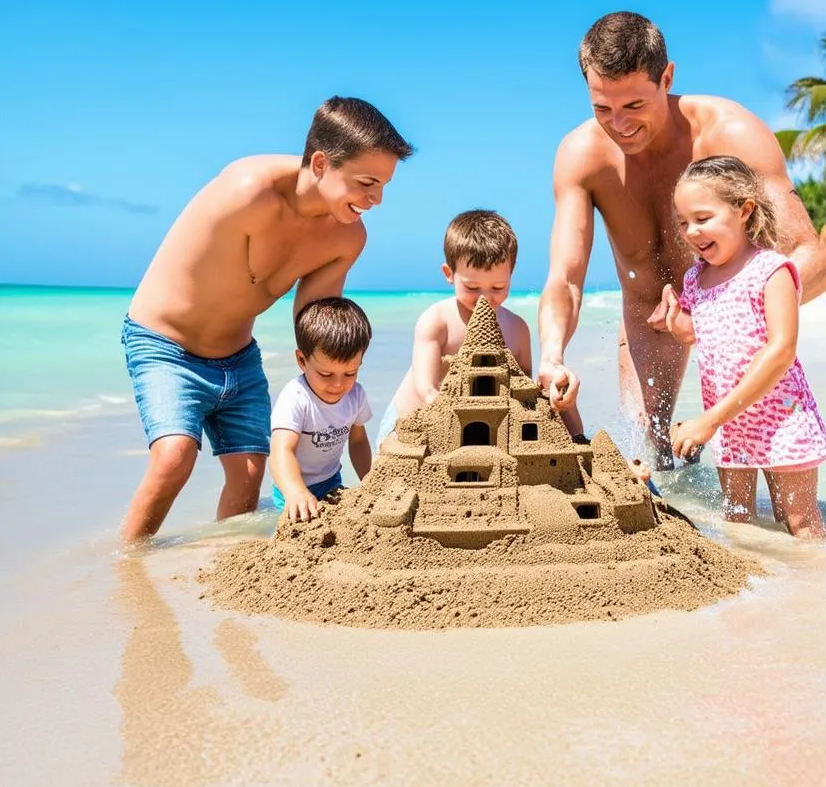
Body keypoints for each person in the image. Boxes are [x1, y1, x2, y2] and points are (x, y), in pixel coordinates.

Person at [537, 12, 826, 468]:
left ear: (667, 78)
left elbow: (811, 254)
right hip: (649, 314)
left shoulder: (731, 133)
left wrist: (715, 319)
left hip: (729, 308)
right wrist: (552, 354)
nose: (619, 125)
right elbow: (564, 278)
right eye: (602, 109)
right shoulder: (581, 156)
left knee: (759, 456)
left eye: (634, 106)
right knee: (655, 452)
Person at [120, 96, 413, 541]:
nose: (376, 199)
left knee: (251, 471)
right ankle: (129, 566)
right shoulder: (248, 190)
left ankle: (226, 563)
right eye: (367, 182)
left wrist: (336, 388)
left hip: (238, 356)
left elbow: (314, 325)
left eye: (384, 186)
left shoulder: (346, 238)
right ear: (320, 163)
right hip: (165, 343)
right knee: (174, 456)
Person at [664, 156, 826, 538]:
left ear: (744, 210)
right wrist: (677, 325)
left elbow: (781, 349)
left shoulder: (770, 270)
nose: (691, 231)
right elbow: (701, 331)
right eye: (683, 222)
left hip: (779, 419)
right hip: (729, 425)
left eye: (703, 219)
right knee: (738, 523)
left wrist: (709, 421)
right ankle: (765, 595)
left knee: (800, 523)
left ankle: (820, 594)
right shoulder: (695, 278)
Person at [376, 209, 583, 447]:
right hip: (409, 426)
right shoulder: (437, 321)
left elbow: (521, 391)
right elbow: (427, 391)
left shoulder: (516, 329)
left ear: (511, 276)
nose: (484, 298)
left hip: (477, 430)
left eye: (497, 287)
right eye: (472, 288)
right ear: (449, 274)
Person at [270, 297, 373, 522]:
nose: (338, 385)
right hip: (291, 484)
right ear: (302, 360)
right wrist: (295, 491)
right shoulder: (296, 397)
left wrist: (370, 482)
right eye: (325, 374)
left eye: (350, 373)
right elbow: (281, 451)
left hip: (330, 480)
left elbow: (357, 442)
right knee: (294, 528)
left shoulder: (355, 395)